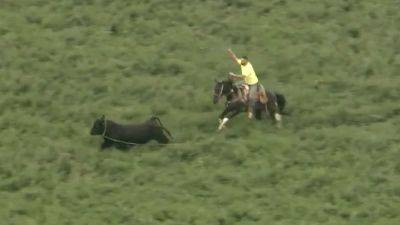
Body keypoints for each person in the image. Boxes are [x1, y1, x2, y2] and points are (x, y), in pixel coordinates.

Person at [227, 48, 261, 119]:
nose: (241, 61)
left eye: (243, 61)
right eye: (241, 60)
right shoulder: (243, 62)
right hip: (246, 81)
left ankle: (250, 112)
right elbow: (235, 59)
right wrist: (230, 52)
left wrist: (233, 75)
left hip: (253, 83)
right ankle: (236, 100)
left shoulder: (248, 67)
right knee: (235, 86)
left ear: (246, 61)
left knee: (251, 97)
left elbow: (242, 77)